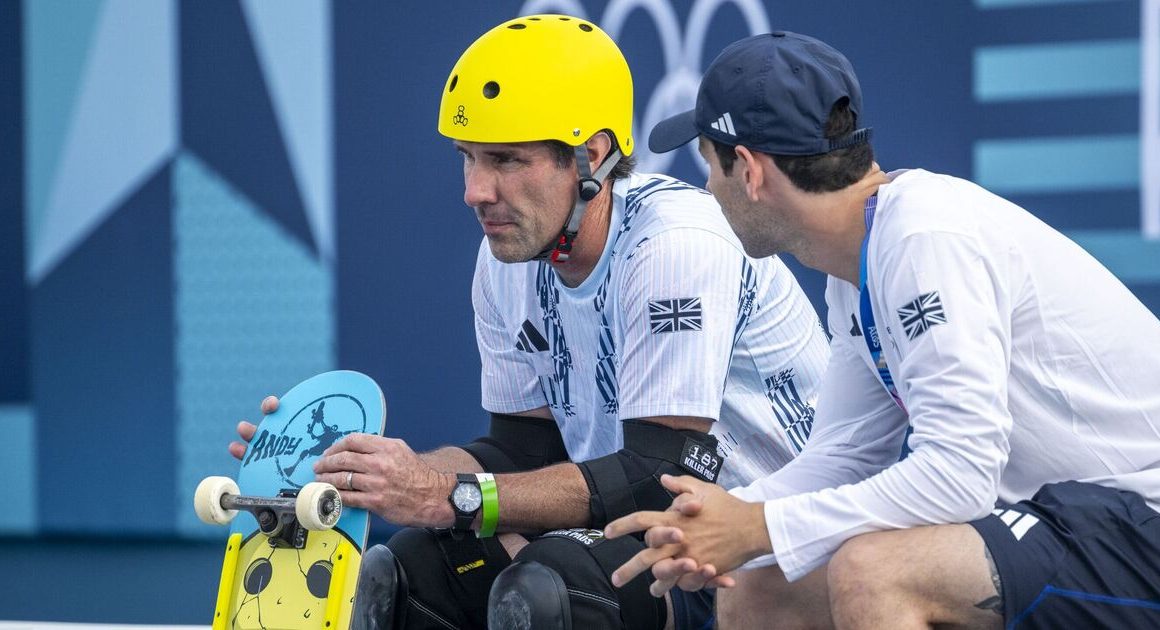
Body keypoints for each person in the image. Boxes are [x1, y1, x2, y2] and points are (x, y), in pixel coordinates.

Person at [231, 17, 831, 630]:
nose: (475, 191)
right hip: (647, 531)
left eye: (506, 159)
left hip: (771, 548)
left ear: (591, 155)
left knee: (551, 591)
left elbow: (660, 477)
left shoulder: (675, 245)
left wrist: (445, 495)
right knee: (414, 573)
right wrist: (359, 475)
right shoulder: (510, 254)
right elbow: (524, 451)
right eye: (467, 158)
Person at [603, 31, 1160, 629]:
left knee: (874, 571)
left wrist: (757, 526)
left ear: (749, 170)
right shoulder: (860, 259)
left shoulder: (924, 240)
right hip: (1078, 519)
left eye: (708, 166)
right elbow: (845, 455)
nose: (707, 189)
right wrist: (718, 518)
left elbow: (960, 475)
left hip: (1139, 519)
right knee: (760, 584)